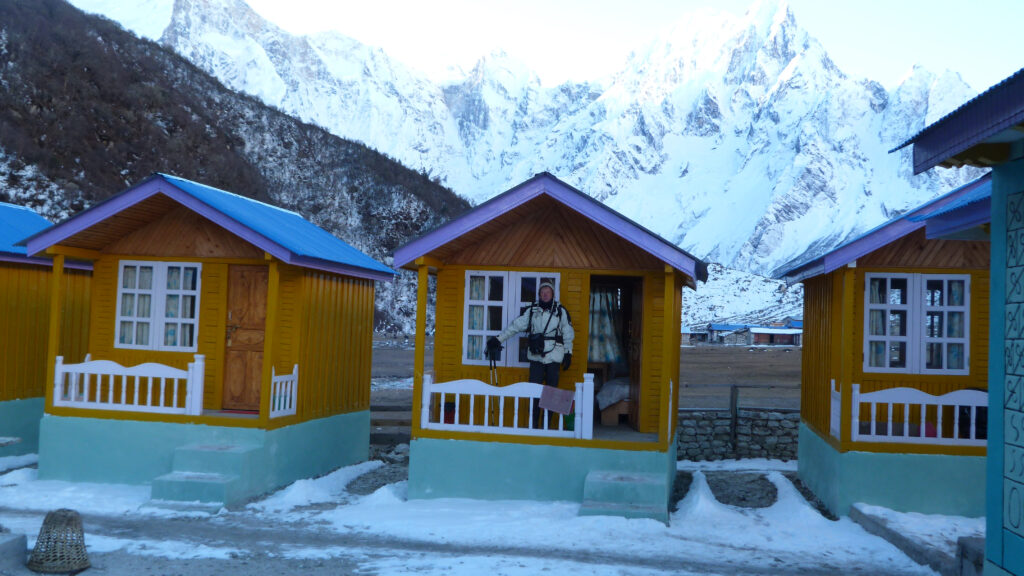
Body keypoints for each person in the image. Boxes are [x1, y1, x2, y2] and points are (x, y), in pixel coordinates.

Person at [486, 281, 574, 388]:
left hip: (554, 356)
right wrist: (498, 339)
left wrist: (568, 353)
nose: (545, 294)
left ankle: (548, 406)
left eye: (548, 292)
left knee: (551, 392)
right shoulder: (532, 310)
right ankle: (534, 406)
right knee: (533, 390)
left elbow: (567, 333)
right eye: (542, 292)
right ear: (539, 295)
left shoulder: (561, 311)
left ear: (553, 294)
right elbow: (515, 326)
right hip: (536, 356)